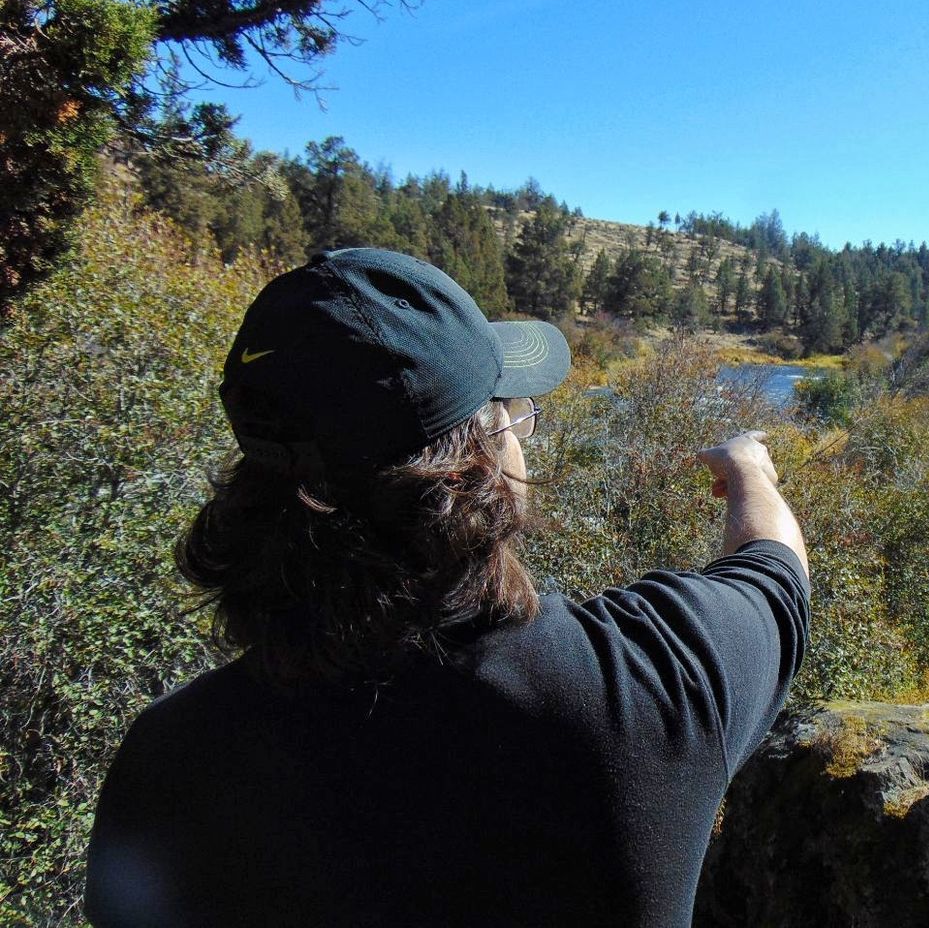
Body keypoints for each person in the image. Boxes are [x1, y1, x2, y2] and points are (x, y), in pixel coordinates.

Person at [84, 248, 810, 927]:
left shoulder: (166, 768)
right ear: (483, 456)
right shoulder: (650, 690)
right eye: (510, 412)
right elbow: (773, 571)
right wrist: (749, 469)